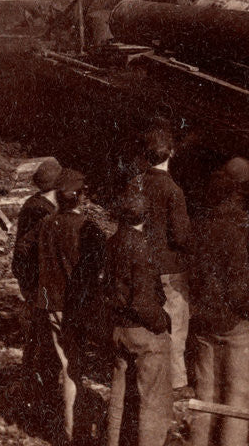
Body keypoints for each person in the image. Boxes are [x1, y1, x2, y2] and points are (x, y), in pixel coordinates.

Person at [189, 158, 249, 446]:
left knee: (205, 394)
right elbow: (238, 290)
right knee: (238, 396)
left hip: (204, 322)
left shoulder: (196, 229)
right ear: (231, 197)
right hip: (234, 324)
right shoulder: (232, 234)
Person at [37, 169, 107, 442]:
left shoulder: (47, 224)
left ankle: (65, 427)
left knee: (64, 365)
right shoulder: (86, 229)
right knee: (73, 369)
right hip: (73, 308)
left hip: (50, 304)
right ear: (81, 197)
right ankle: (72, 433)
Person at [105, 191, 173, 446]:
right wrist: (161, 323)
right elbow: (143, 302)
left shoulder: (112, 242)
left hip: (119, 328)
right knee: (153, 400)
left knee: (118, 396)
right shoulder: (141, 247)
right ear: (146, 217)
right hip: (142, 330)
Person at [132, 126, 192, 395]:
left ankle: (145, 374)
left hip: (141, 263)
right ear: (172, 152)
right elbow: (180, 236)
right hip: (168, 268)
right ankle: (176, 382)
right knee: (175, 325)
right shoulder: (173, 190)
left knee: (146, 321)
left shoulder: (136, 183)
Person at [13, 158, 63, 370]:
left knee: (36, 336)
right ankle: (40, 389)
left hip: (33, 282)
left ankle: (32, 382)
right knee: (44, 340)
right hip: (39, 284)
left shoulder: (34, 204)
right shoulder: (43, 213)